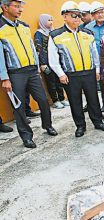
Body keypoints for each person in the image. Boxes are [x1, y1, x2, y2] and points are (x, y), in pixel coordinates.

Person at [48, 1, 104, 137]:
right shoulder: (56, 35)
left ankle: (98, 122)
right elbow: (53, 59)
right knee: (75, 101)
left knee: (93, 98)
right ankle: (80, 126)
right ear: (65, 17)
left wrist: (97, 70)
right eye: (74, 15)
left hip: (89, 72)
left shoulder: (87, 33)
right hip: (70, 74)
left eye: (79, 15)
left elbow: (94, 53)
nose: (78, 18)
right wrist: (60, 74)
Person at [0, 0, 58, 148]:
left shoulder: (24, 26)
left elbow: (32, 48)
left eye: (21, 6)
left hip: (32, 71)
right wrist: (4, 77)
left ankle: (47, 125)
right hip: (15, 73)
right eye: (16, 6)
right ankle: (26, 136)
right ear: (5, 7)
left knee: (43, 100)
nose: (20, 9)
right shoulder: (0, 27)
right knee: (18, 107)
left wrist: (37, 68)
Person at [86, 1, 104, 118]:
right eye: (97, 13)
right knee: (103, 85)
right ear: (93, 15)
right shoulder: (88, 28)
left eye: (102, 12)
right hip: (97, 60)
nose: (100, 15)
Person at [34, 14, 69, 109]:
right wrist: (42, 63)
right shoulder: (39, 33)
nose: (51, 22)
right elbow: (39, 49)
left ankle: (62, 98)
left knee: (59, 80)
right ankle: (55, 100)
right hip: (46, 62)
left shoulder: (53, 32)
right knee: (51, 82)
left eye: (51, 19)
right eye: (48, 20)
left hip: (56, 60)